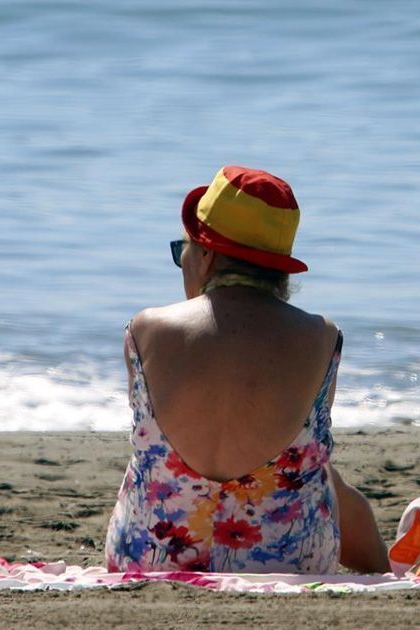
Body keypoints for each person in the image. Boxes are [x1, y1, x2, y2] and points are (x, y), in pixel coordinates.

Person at [105, 166, 390, 575]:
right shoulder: (321, 336)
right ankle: (386, 570)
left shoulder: (146, 329)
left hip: (150, 556)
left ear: (207, 255)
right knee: (316, 468)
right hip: (288, 560)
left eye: (180, 250)